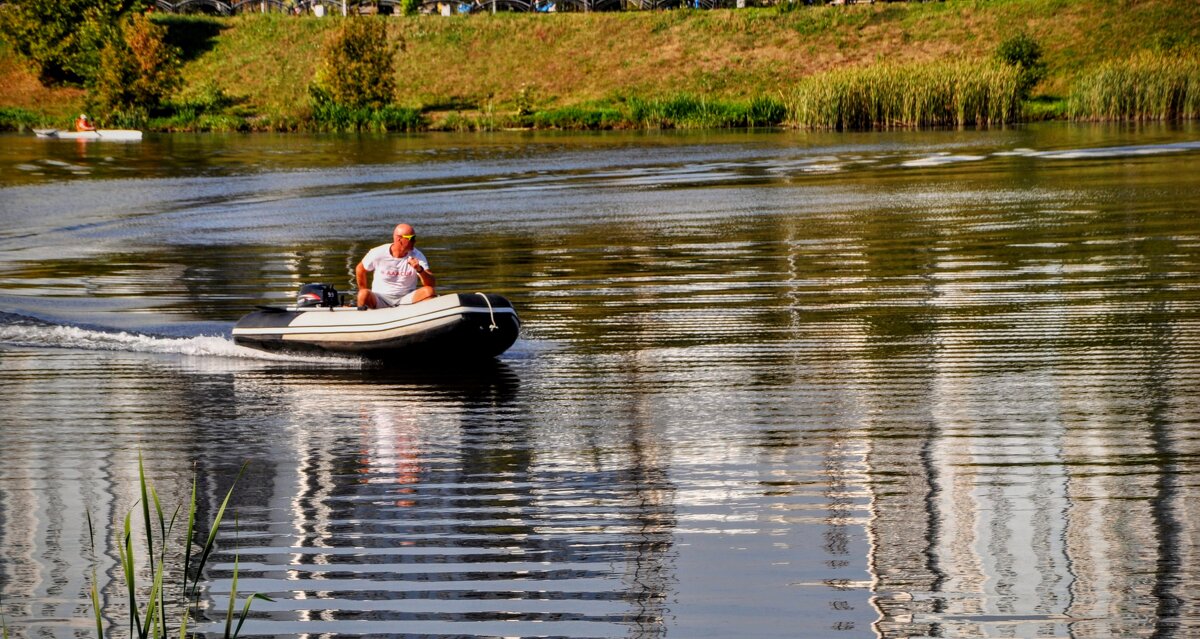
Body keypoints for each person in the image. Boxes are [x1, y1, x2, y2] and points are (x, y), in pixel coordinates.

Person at [355, 223, 436, 309]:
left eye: (414, 238)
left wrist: (419, 269)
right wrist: (363, 289)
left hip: (406, 298)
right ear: (399, 239)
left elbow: (431, 283)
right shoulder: (377, 252)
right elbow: (360, 269)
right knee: (363, 294)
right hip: (381, 298)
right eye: (411, 238)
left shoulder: (417, 255)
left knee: (429, 291)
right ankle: (365, 314)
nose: (414, 241)